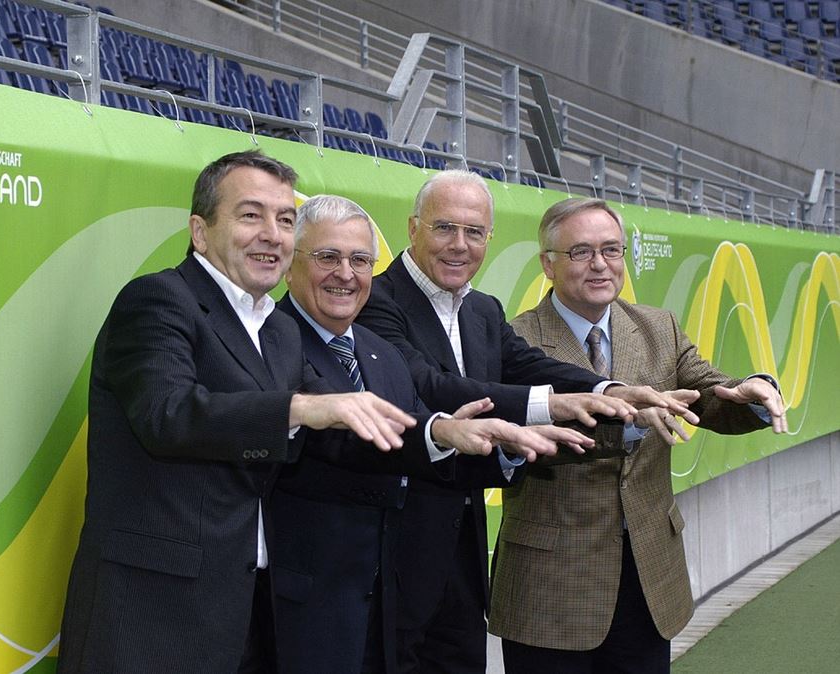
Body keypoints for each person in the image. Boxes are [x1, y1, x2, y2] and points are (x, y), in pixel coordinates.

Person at [55, 151, 421, 674]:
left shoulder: (277, 329)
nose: (272, 234)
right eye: (251, 215)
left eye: (285, 219)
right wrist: (300, 407)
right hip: (151, 611)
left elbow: (338, 423)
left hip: (244, 612)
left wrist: (443, 432)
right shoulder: (158, 300)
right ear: (200, 232)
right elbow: (168, 414)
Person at [356, 170, 689, 673]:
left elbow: (532, 367)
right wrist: (552, 406)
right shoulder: (375, 299)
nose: (460, 245)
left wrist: (606, 390)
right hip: (393, 555)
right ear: (413, 228)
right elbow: (431, 385)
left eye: (475, 232)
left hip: (463, 560)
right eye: (445, 228)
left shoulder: (482, 310)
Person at [271, 195, 591, 674]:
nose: (346, 273)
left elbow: (422, 446)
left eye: (360, 260)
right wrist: (446, 429)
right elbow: (354, 439)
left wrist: (504, 448)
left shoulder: (379, 352)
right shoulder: (270, 343)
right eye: (327, 257)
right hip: (311, 606)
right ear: (288, 264)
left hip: (401, 593)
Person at [489, 197, 786, 673]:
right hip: (550, 586)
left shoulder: (657, 326)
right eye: (581, 252)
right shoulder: (513, 339)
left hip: (648, 576)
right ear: (548, 263)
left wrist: (750, 391)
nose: (600, 265)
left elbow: (706, 392)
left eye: (611, 250)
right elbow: (526, 437)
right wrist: (626, 420)